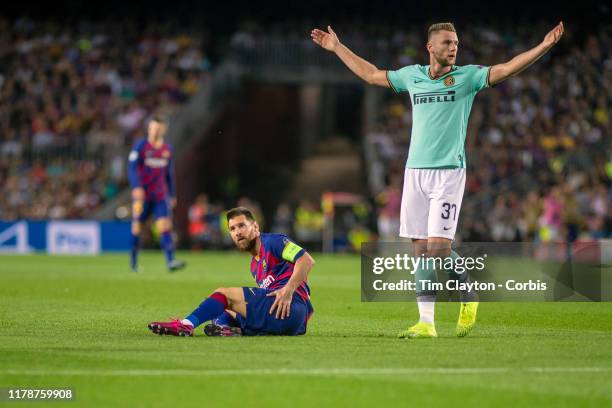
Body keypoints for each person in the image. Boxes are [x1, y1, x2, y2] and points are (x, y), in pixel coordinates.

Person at [312, 21, 564, 338]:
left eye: (455, 42)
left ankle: (468, 295)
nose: (453, 47)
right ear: (430, 47)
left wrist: (543, 46)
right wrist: (337, 48)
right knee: (420, 251)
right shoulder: (412, 75)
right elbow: (372, 74)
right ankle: (427, 323)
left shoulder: (467, 77)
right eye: (447, 42)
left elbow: (507, 69)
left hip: (448, 172)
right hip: (415, 172)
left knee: (439, 248)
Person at [148, 207, 315, 336]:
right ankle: (226, 329)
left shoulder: (273, 242)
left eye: (242, 226)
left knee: (222, 293)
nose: (238, 232)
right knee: (218, 308)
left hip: (292, 308)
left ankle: (186, 325)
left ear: (255, 227)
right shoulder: (254, 266)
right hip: (283, 316)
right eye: (233, 229)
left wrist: (288, 290)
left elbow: (306, 260)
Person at [127, 114, 186, 272]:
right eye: (152, 128)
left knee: (164, 226)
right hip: (142, 196)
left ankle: (170, 261)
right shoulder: (140, 146)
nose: (154, 131)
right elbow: (132, 169)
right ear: (149, 128)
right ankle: (133, 263)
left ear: (163, 129)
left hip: (160, 196)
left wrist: (172, 194)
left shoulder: (167, 150)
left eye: (157, 128)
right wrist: (136, 186)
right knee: (137, 228)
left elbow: (169, 174)